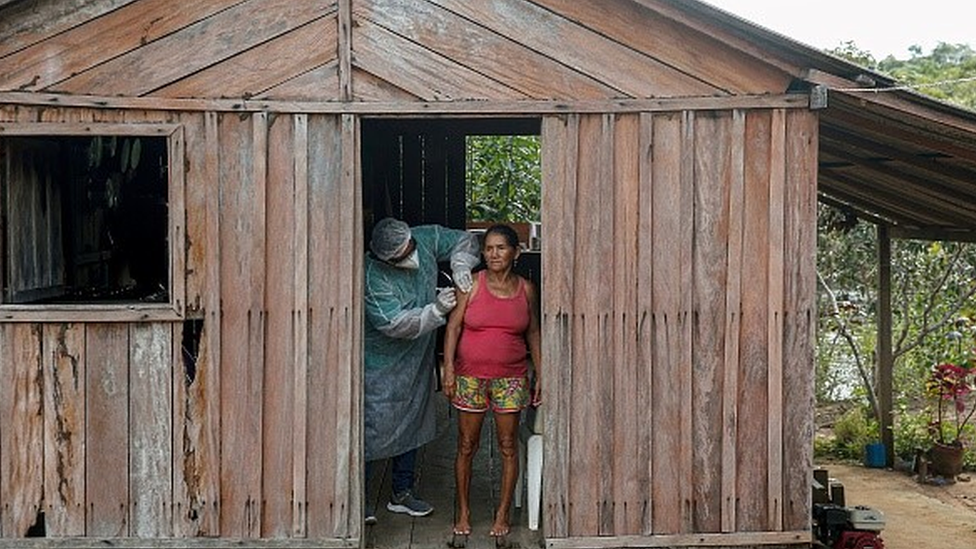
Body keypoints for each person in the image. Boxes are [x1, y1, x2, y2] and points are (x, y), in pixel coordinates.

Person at [363, 217, 480, 525]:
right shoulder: (372, 276)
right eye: (403, 255)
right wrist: (437, 310)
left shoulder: (423, 238)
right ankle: (358, 500)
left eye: (411, 247)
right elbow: (394, 324)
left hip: (417, 358)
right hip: (380, 365)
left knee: (412, 423)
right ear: (386, 257)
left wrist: (461, 265)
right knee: (370, 431)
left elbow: (463, 240)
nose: (412, 255)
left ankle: (401, 493)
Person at [442, 224, 542, 543]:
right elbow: (453, 329)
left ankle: (502, 514)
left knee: (508, 446)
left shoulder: (526, 289)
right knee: (467, 446)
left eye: (500, 248)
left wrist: (542, 374)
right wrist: (448, 371)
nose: (493, 254)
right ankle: (464, 512)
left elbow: (534, 333)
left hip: (511, 378)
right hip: (470, 376)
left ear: (516, 252)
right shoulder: (470, 284)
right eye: (488, 248)